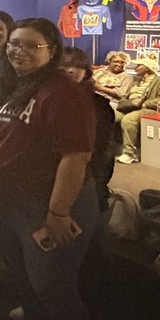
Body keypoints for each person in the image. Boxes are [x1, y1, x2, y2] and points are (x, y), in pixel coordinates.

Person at [0, 17, 98, 320]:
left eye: (32, 45)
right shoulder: (15, 86)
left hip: (47, 207)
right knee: (27, 282)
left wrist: (58, 212)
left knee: (52, 287)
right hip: (9, 204)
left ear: (52, 51)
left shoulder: (62, 93)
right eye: (16, 43)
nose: (19, 50)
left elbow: (75, 156)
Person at [60, 48, 116, 212]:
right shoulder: (46, 99)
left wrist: (97, 181)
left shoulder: (99, 104)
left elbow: (104, 148)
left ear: (86, 71)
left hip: (90, 173)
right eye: (64, 66)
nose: (71, 71)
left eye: (78, 66)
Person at [115, 54, 160, 164]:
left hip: (151, 109)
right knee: (110, 115)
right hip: (130, 107)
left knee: (129, 119)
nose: (135, 67)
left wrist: (145, 104)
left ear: (147, 68)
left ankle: (130, 153)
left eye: (139, 65)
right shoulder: (137, 81)